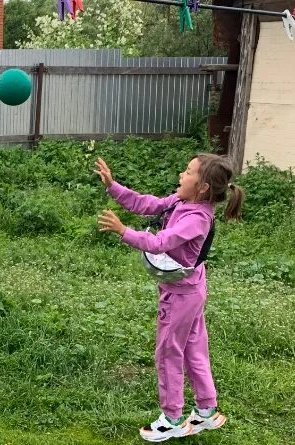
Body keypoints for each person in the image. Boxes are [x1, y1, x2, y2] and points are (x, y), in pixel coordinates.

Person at [95, 154, 245, 442]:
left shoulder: (197, 220)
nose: (181, 174)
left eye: (188, 171)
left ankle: (172, 419)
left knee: (168, 353)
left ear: (202, 187)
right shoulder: (181, 202)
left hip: (181, 297)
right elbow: (147, 204)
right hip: (191, 288)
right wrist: (113, 186)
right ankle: (206, 410)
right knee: (193, 349)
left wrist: (124, 231)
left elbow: (160, 242)